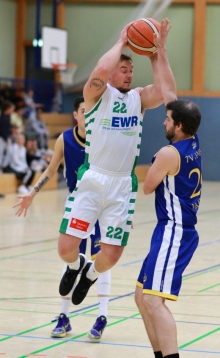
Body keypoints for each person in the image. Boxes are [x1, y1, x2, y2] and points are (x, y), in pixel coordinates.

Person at [56, 18, 176, 309]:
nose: (129, 74)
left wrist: (159, 53)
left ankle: (90, 274)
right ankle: (74, 268)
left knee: (112, 254)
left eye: (131, 70)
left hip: (122, 184)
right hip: (93, 179)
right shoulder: (96, 95)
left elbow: (168, 93)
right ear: (111, 74)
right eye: (123, 69)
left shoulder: (138, 99)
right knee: (66, 249)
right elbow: (99, 70)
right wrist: (122, 40)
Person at [13, 97, 111, 342]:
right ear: (76, 115)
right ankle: (63, 317)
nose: (88, 115)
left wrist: (124, 211)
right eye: (83, 111)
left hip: (100, 204)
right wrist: (31, 194)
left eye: (92, 112)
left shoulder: (105, 138)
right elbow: (50, 170)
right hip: (76, 203)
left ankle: (101, 318)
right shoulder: (64, 139)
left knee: (101, 259)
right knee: (68, 257)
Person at [135, 24, 202, 358]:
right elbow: (170, 91)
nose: (162, 121)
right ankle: (159, 354)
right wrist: (158, 52)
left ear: (177, 126)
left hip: (175, 231)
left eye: (166, 119)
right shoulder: (191, 139)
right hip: (172, 230)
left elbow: (147, 188)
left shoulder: (167, 153)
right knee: (140, 295)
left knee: (152, 300)